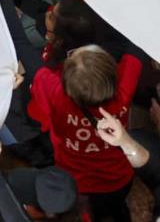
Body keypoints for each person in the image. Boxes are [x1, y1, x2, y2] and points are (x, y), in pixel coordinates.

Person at [28, 44, 142, 221]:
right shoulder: (123, 91)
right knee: (118, 209)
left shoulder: (56, 94)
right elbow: (137, 47)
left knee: (89, 214)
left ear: (65, 80)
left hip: (76, 182)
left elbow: (23, 46)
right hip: (119, 176)